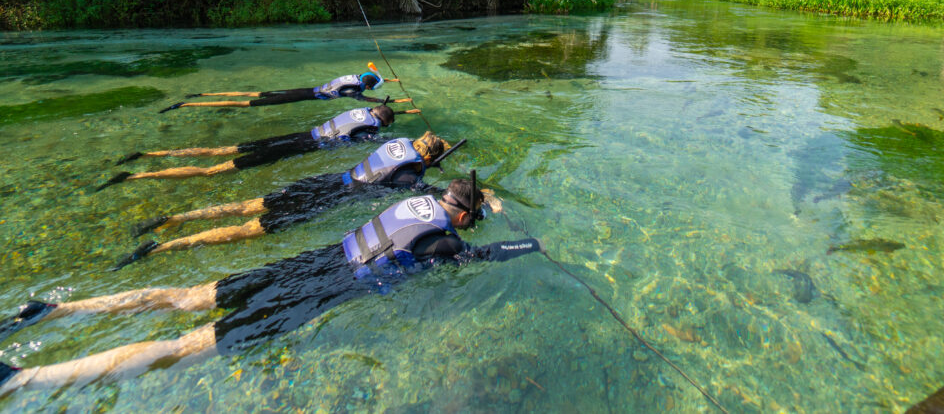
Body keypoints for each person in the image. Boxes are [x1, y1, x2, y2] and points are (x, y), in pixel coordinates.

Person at [0, 179, 541, 393]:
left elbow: (453, 191)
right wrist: (531, 244)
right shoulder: (447, 242)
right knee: (185, 348)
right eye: (475, 215)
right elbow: (484, 254)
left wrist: (483, 198)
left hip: (313, 260)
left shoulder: (417, 198)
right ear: (463, 215)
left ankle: (54, 310)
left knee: (187, 297)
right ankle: (23, 380)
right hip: (318, 290)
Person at [111, 132, 490, 268]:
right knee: (249, 230)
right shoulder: (413, 174)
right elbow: (420, 193)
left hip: (326, 180)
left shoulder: (400, 144)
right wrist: (485, 196)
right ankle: (164, 247)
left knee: (248, 206)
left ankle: (172, 218)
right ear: (429, 158)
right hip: (326, 202)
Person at [97, 104, 420, 190]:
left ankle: (148, 155)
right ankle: (133, 177)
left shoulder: (360, 112)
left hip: (299, 133)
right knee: (213, 172)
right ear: (384, 122)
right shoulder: (373, 126)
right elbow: (370, 139)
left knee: (219, 151)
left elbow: (368, 121)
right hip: (295, 148)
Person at [158, 63, 403, 113]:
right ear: (366, 85)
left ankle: (200, 95)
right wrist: (388, 104)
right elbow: (362, 100)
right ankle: (188, 104)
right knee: (250, 103)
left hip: (307, 88)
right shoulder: (356, 89)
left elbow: (371, 80)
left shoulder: (356, 75)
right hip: (306, 97)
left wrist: (386, 81)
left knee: (255, 94)